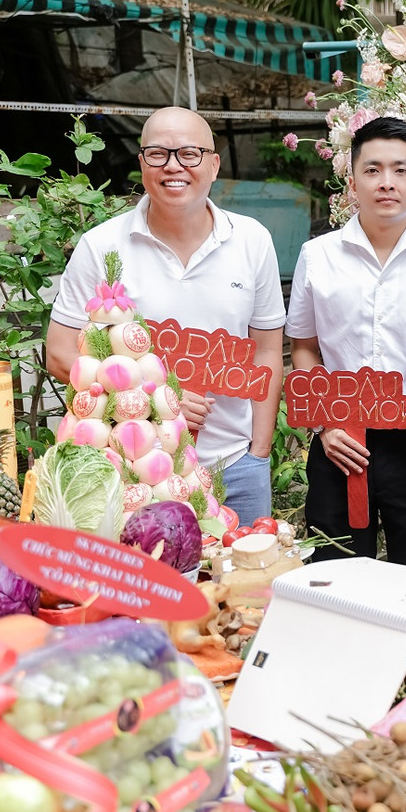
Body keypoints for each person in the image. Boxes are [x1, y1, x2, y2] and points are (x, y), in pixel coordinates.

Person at [47, 107, 285, 526]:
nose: (173, 166)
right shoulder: (101, 246)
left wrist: (258, 452)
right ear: (142, 164)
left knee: (247, 568)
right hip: (134, 475)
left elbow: (266, 349)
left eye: (190, 153)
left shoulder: (253, 241)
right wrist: (159, 400)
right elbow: (60, 352)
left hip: (235, 464)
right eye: (158, 154)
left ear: (214, 165)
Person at [287, 117, 406, 565]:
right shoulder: (318, 256)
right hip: (338, 440)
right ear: (352, 182)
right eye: (372, 170)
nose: (386, 182)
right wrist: (326, 424)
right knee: (336, 573)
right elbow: (305, 347)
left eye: (400, 169)